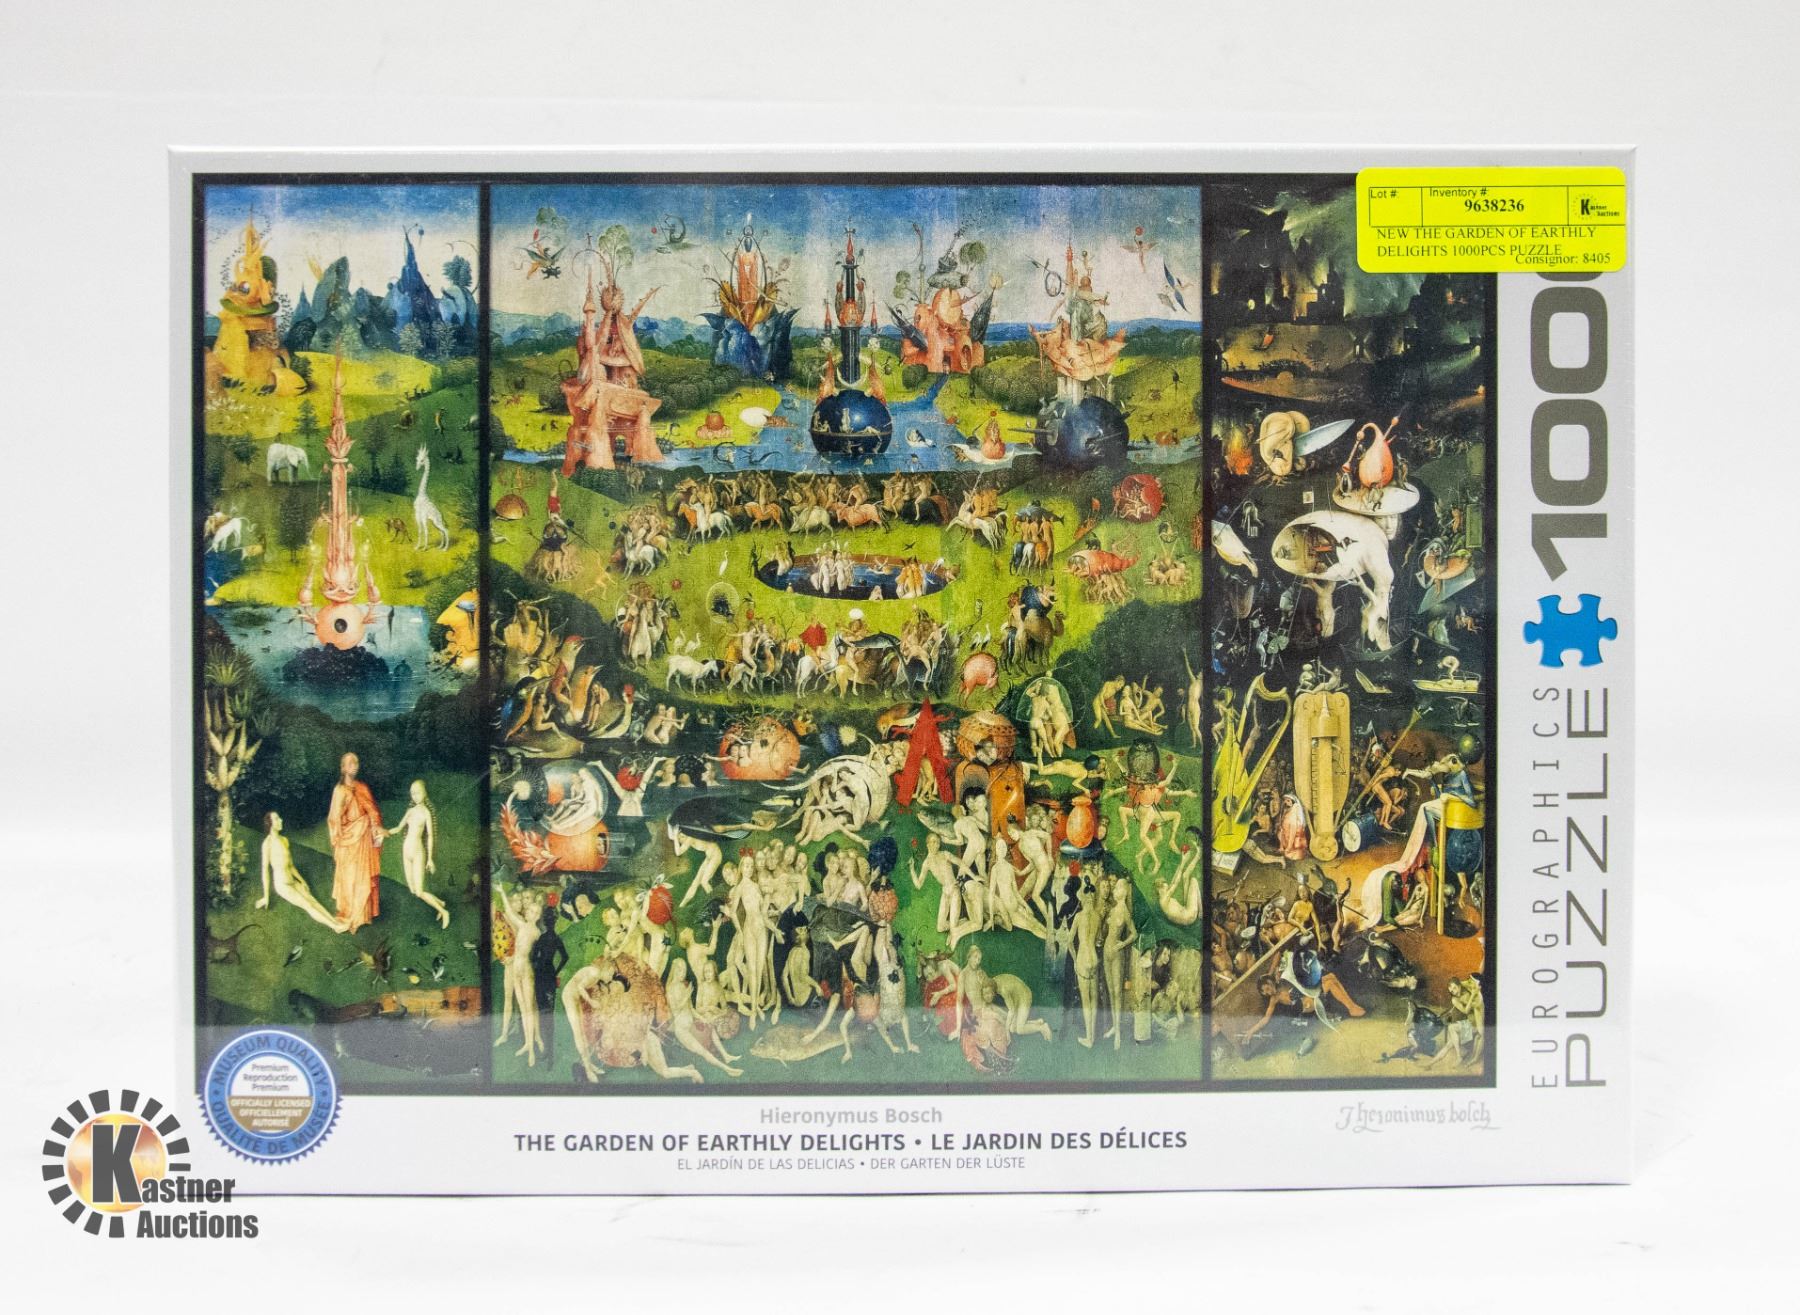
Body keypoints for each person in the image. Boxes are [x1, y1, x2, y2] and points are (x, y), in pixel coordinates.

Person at [256, 812, 348, 932]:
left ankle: (335, 921)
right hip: (282, 886)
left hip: (292, 881)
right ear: (270, 824)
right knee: (307, 905)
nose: (281, 820)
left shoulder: (284, 840)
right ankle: (335, 927)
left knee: (312, 900)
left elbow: (290, 866)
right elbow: (265, 871)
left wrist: (302, 881)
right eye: (277, 819)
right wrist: (266, 896)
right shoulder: (267, 844)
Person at [327, 752, 383, 932]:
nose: (355, 766)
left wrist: (376, 827)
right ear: (343, 768)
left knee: (362, 878)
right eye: (350, 763)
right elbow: (334, 819)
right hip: (348, 841)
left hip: (364, 838)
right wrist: (339, 840)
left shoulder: (362, 787)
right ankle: (351, 915)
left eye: (356, 763)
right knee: (350, 878)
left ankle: (362, 916)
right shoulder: (340, 790)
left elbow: (373, 811)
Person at [390, 779, 450, 929]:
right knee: (412, 889)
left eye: (418, 793)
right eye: (413, 793)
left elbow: (430, 836)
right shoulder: (410, 811)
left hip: (418, 853)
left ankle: (444, 912)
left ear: (425, 793)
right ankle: (441, 903)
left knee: (419, 892)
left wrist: (430, 859)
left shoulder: (426, 813)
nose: (415, 796)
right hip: (406, 851)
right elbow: (398, 828)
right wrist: (384, 833)